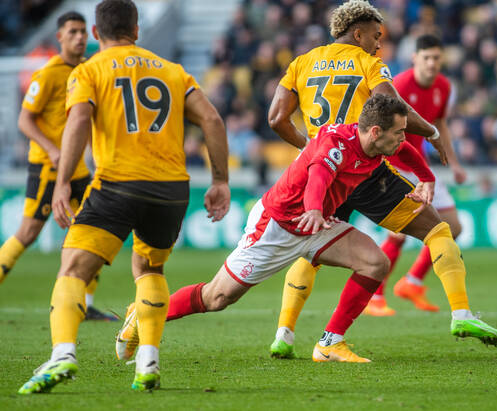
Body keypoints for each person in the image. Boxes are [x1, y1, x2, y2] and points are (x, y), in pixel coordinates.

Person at [266, 0, 497, 358]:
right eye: (376, 36)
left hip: (323, 171)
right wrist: (432, 133)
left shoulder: (301, 63)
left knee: (309, 251)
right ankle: (460, 313)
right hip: (362, 169)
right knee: (438, 230)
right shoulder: (368, 63)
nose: (379, 44)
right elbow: (394, 108)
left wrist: (311, 147)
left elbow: (275, 118)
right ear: (358, 33)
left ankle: (284, 335)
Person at [116, 94, 436, 363]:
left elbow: (405, 150)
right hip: (279, 225)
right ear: (377, 131)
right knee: (217, 297)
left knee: (375, 263)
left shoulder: (376, 144)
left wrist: (427, 177)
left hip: (317, 224)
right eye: (399, 132)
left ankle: (329, 343)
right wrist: (312, 208)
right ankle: (143, 312)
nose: (404, 138)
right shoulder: (337, 145)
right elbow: (318, 178)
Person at [18, 0, 230, 393]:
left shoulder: (89, 69)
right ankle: (147, 362)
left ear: (97, 34)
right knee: (149, 270)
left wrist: (63, 180)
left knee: (73, 269)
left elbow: (79, 118)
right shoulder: (172, 71)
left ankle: (63, 355)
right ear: (136, 31)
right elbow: (212, 119)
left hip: (118, 183)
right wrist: (220, 180)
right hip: (171, 189)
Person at [0, 11, 116, 324]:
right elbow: (24, 119)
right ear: (59, 37)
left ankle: (86, 304)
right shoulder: (48, 73)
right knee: (29, 231)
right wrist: (51, 149)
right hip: (48, 168)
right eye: (72, 32)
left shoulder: (88, 71)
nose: (78, 37)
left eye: (81, 31)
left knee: (93, 228)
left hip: (78, 170)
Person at [367, 34, 467, 316]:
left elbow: (440, 125)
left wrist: (455, 164)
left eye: (437, 58)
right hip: (393, 166)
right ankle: (374, 296)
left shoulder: (444, 87)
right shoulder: (396, 85)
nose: (432, 63)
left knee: (454, 227)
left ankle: (411, 282)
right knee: (397, 234)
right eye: (427, 57)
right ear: (415, 58)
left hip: (421, 167)